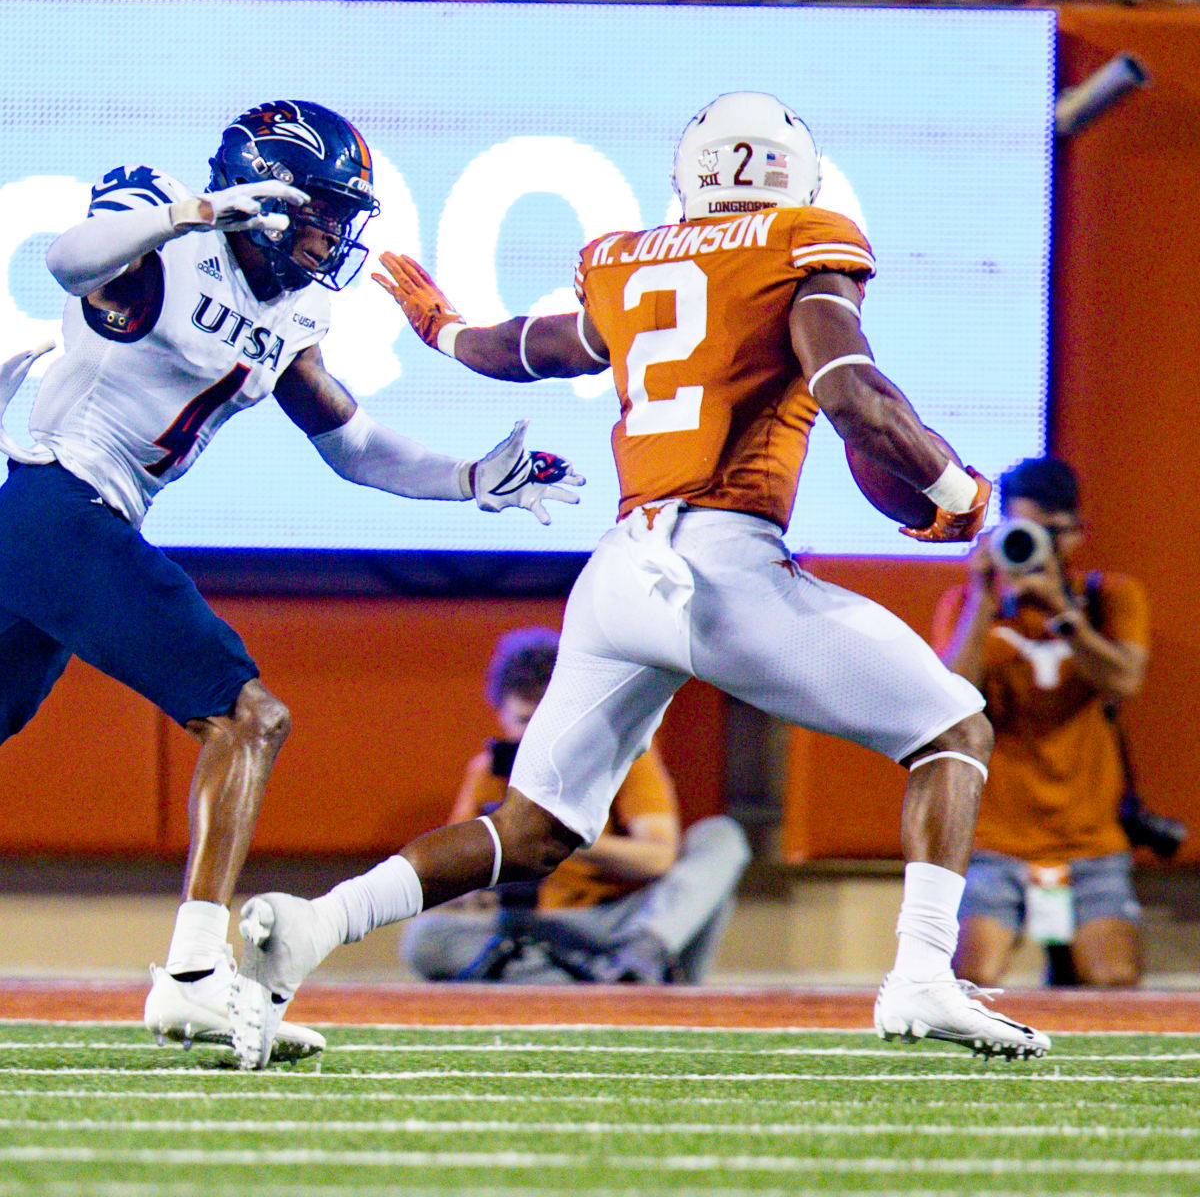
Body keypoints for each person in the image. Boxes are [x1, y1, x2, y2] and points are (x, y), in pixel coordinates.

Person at [229, 91, 1051, 1068]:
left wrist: (440, 328)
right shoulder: (803, 240)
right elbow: (851, 393)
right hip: (721, 561)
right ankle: (921, 975)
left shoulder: (628, 259)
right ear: (798, 175)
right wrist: (955, 488)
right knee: (952, 726)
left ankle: (311, 929)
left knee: (530, 831)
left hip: (621, 571)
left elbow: (520, 351)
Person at [0, 100, 582, 1061]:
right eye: (320, 211)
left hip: (62, 527)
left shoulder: (293, 310)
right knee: (247, 716)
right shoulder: (167, 235)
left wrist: (470, 479)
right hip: (53, 498)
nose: (332, 235)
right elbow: (67, 260)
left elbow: (350, 446)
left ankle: (193, 974)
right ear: (266, 196)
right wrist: (191, 213)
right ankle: (191, 975)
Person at [403, 627, 751, 984]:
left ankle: (642, 954)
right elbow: (450, 885)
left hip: (623, 919)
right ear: (501, 715)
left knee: (720, 837)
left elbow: (658, 858)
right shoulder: (488, 771)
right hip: (536, 926)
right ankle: (612, 981)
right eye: (524, 720)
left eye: (547, 719)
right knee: (425, 940)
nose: (536, 734)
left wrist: (565, 839)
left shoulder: (624, 754)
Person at [931, 457, 1150, 987]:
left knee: (1113, 981)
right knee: (974, 980)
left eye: (1051, 533)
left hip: (1089, 839)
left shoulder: (1108, 598)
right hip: (996, 838)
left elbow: (1124, 681)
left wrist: (1062, 613)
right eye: (1024, 532)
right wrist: (985, 598)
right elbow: (949, 702)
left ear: (1076, 534)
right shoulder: (967, 604)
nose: (1039, 547)